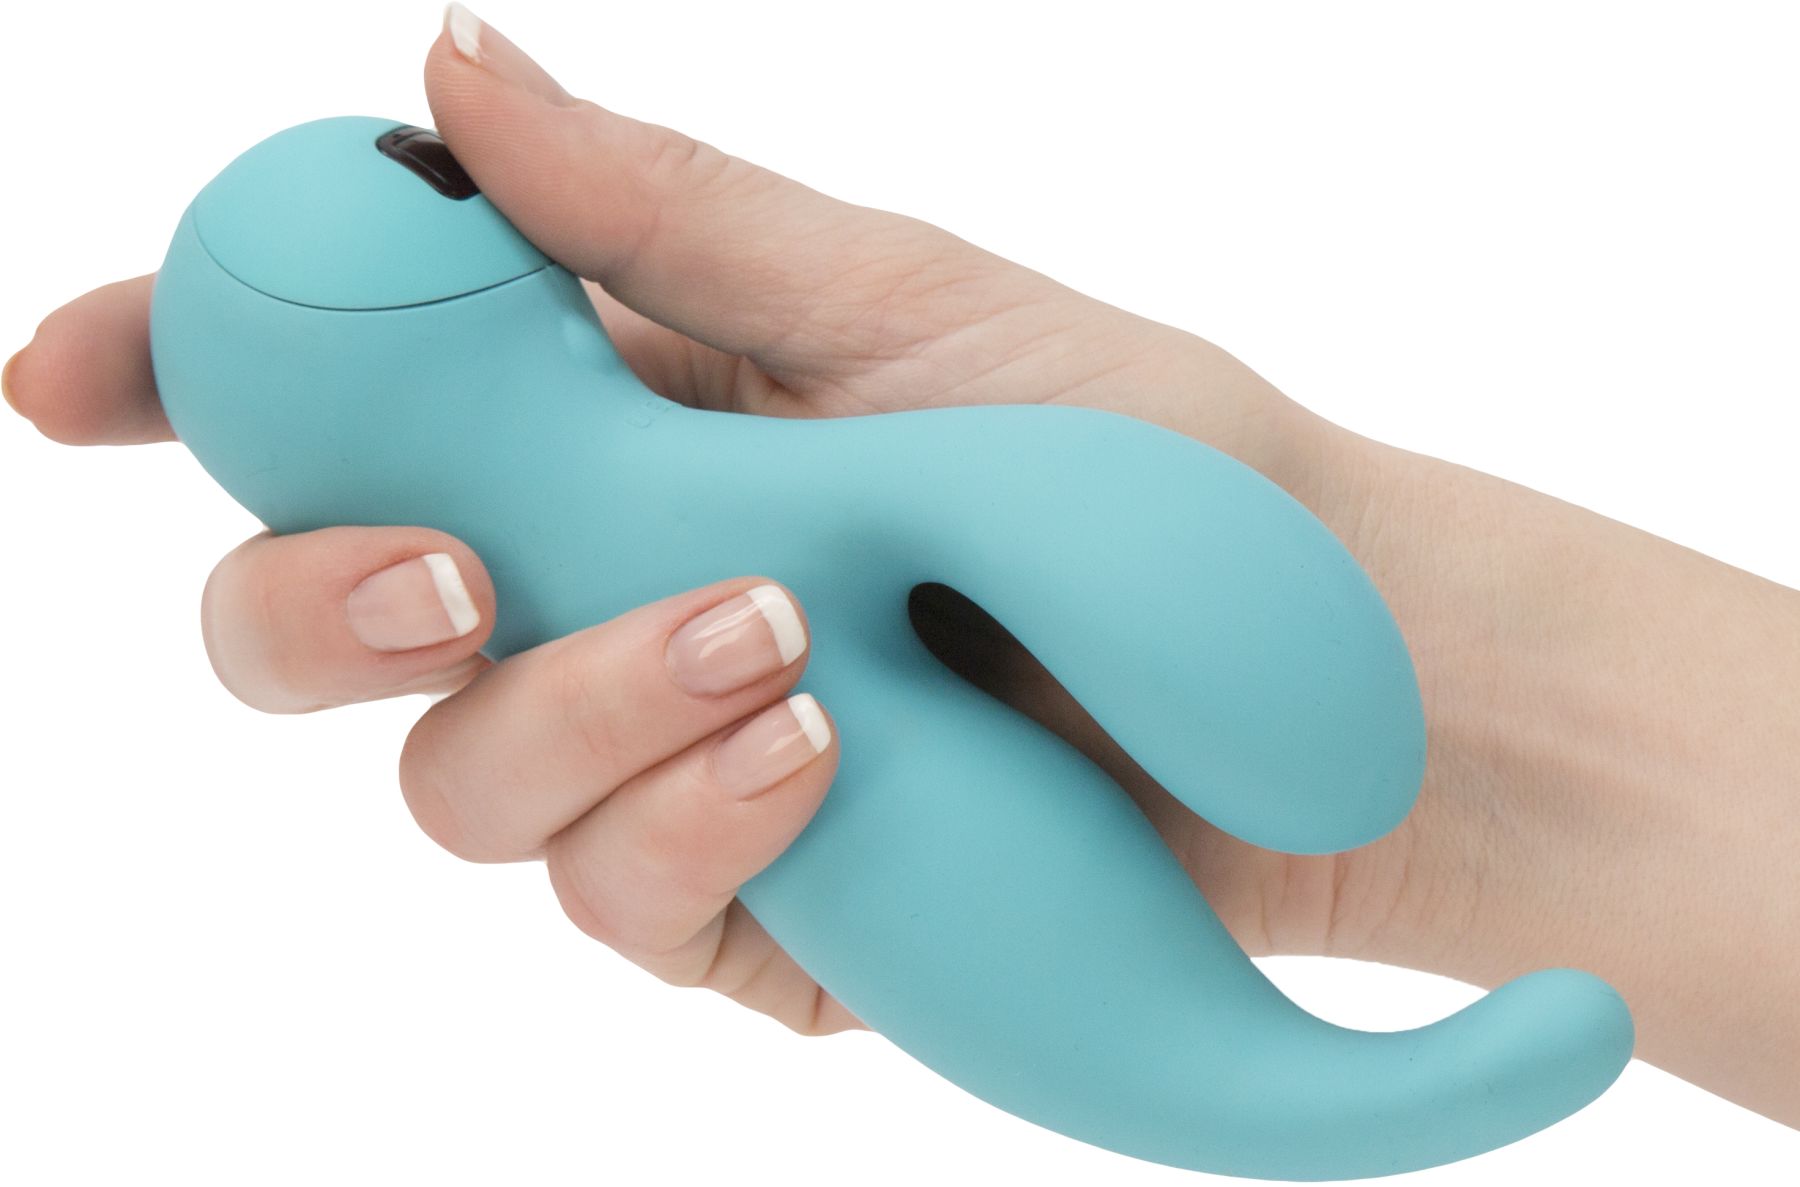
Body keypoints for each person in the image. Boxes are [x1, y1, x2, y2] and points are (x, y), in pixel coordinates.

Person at [5, 3, 1795, 1130]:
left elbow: (1125, 527)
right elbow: (1089, 513)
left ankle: (1301, 1059)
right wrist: (1443, 781)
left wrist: (1441, 726)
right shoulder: (817, 487)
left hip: (965, 621)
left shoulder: (797, 479)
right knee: (813, 705)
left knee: (821, 700)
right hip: (922, 621)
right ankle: (1298, 1071)